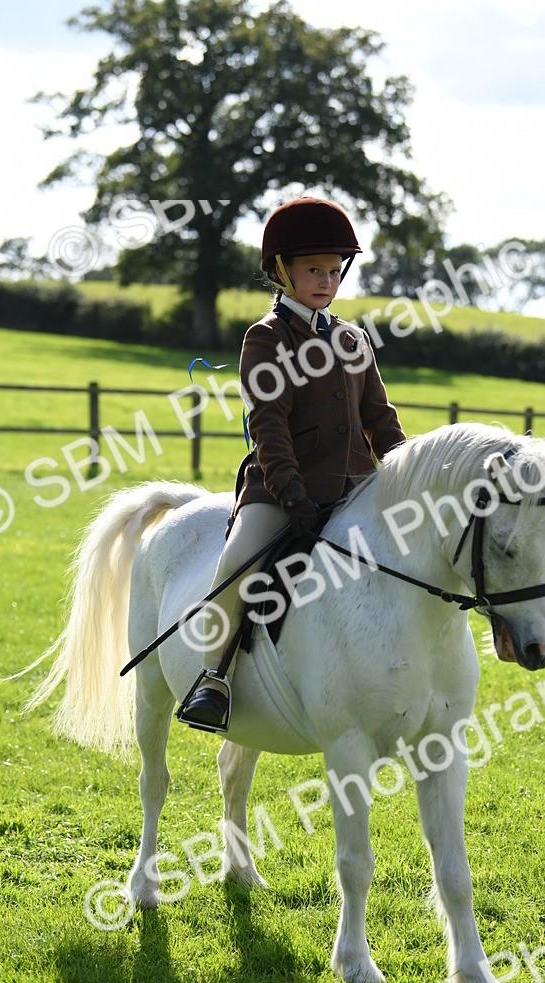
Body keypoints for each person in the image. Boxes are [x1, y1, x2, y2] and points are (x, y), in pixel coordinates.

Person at [178, 195, 406, 732]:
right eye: (313, 270)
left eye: (334, 270)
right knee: (236, 564)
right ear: (281, 271)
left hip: (357, 487)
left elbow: (380, 417)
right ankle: (214, 676)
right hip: (284, 491)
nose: (326, 281)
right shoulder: (266, 338)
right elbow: (269, 426)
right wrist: (293, 493)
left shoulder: (353, 338)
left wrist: (406, 474)